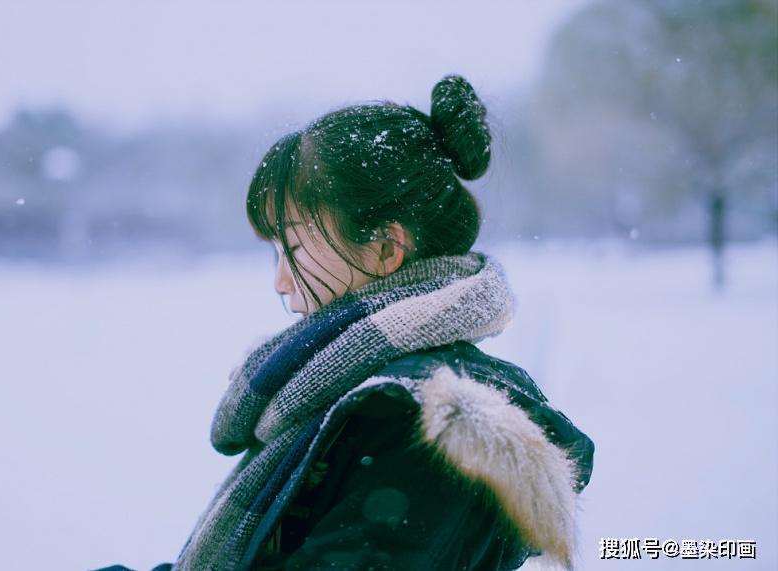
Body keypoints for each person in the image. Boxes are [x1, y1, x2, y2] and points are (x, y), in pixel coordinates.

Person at [96, 74, 595, 571]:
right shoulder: (349, 391)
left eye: (292, 248)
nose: (281, 283)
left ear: (383, 248)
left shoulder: (424, 425)